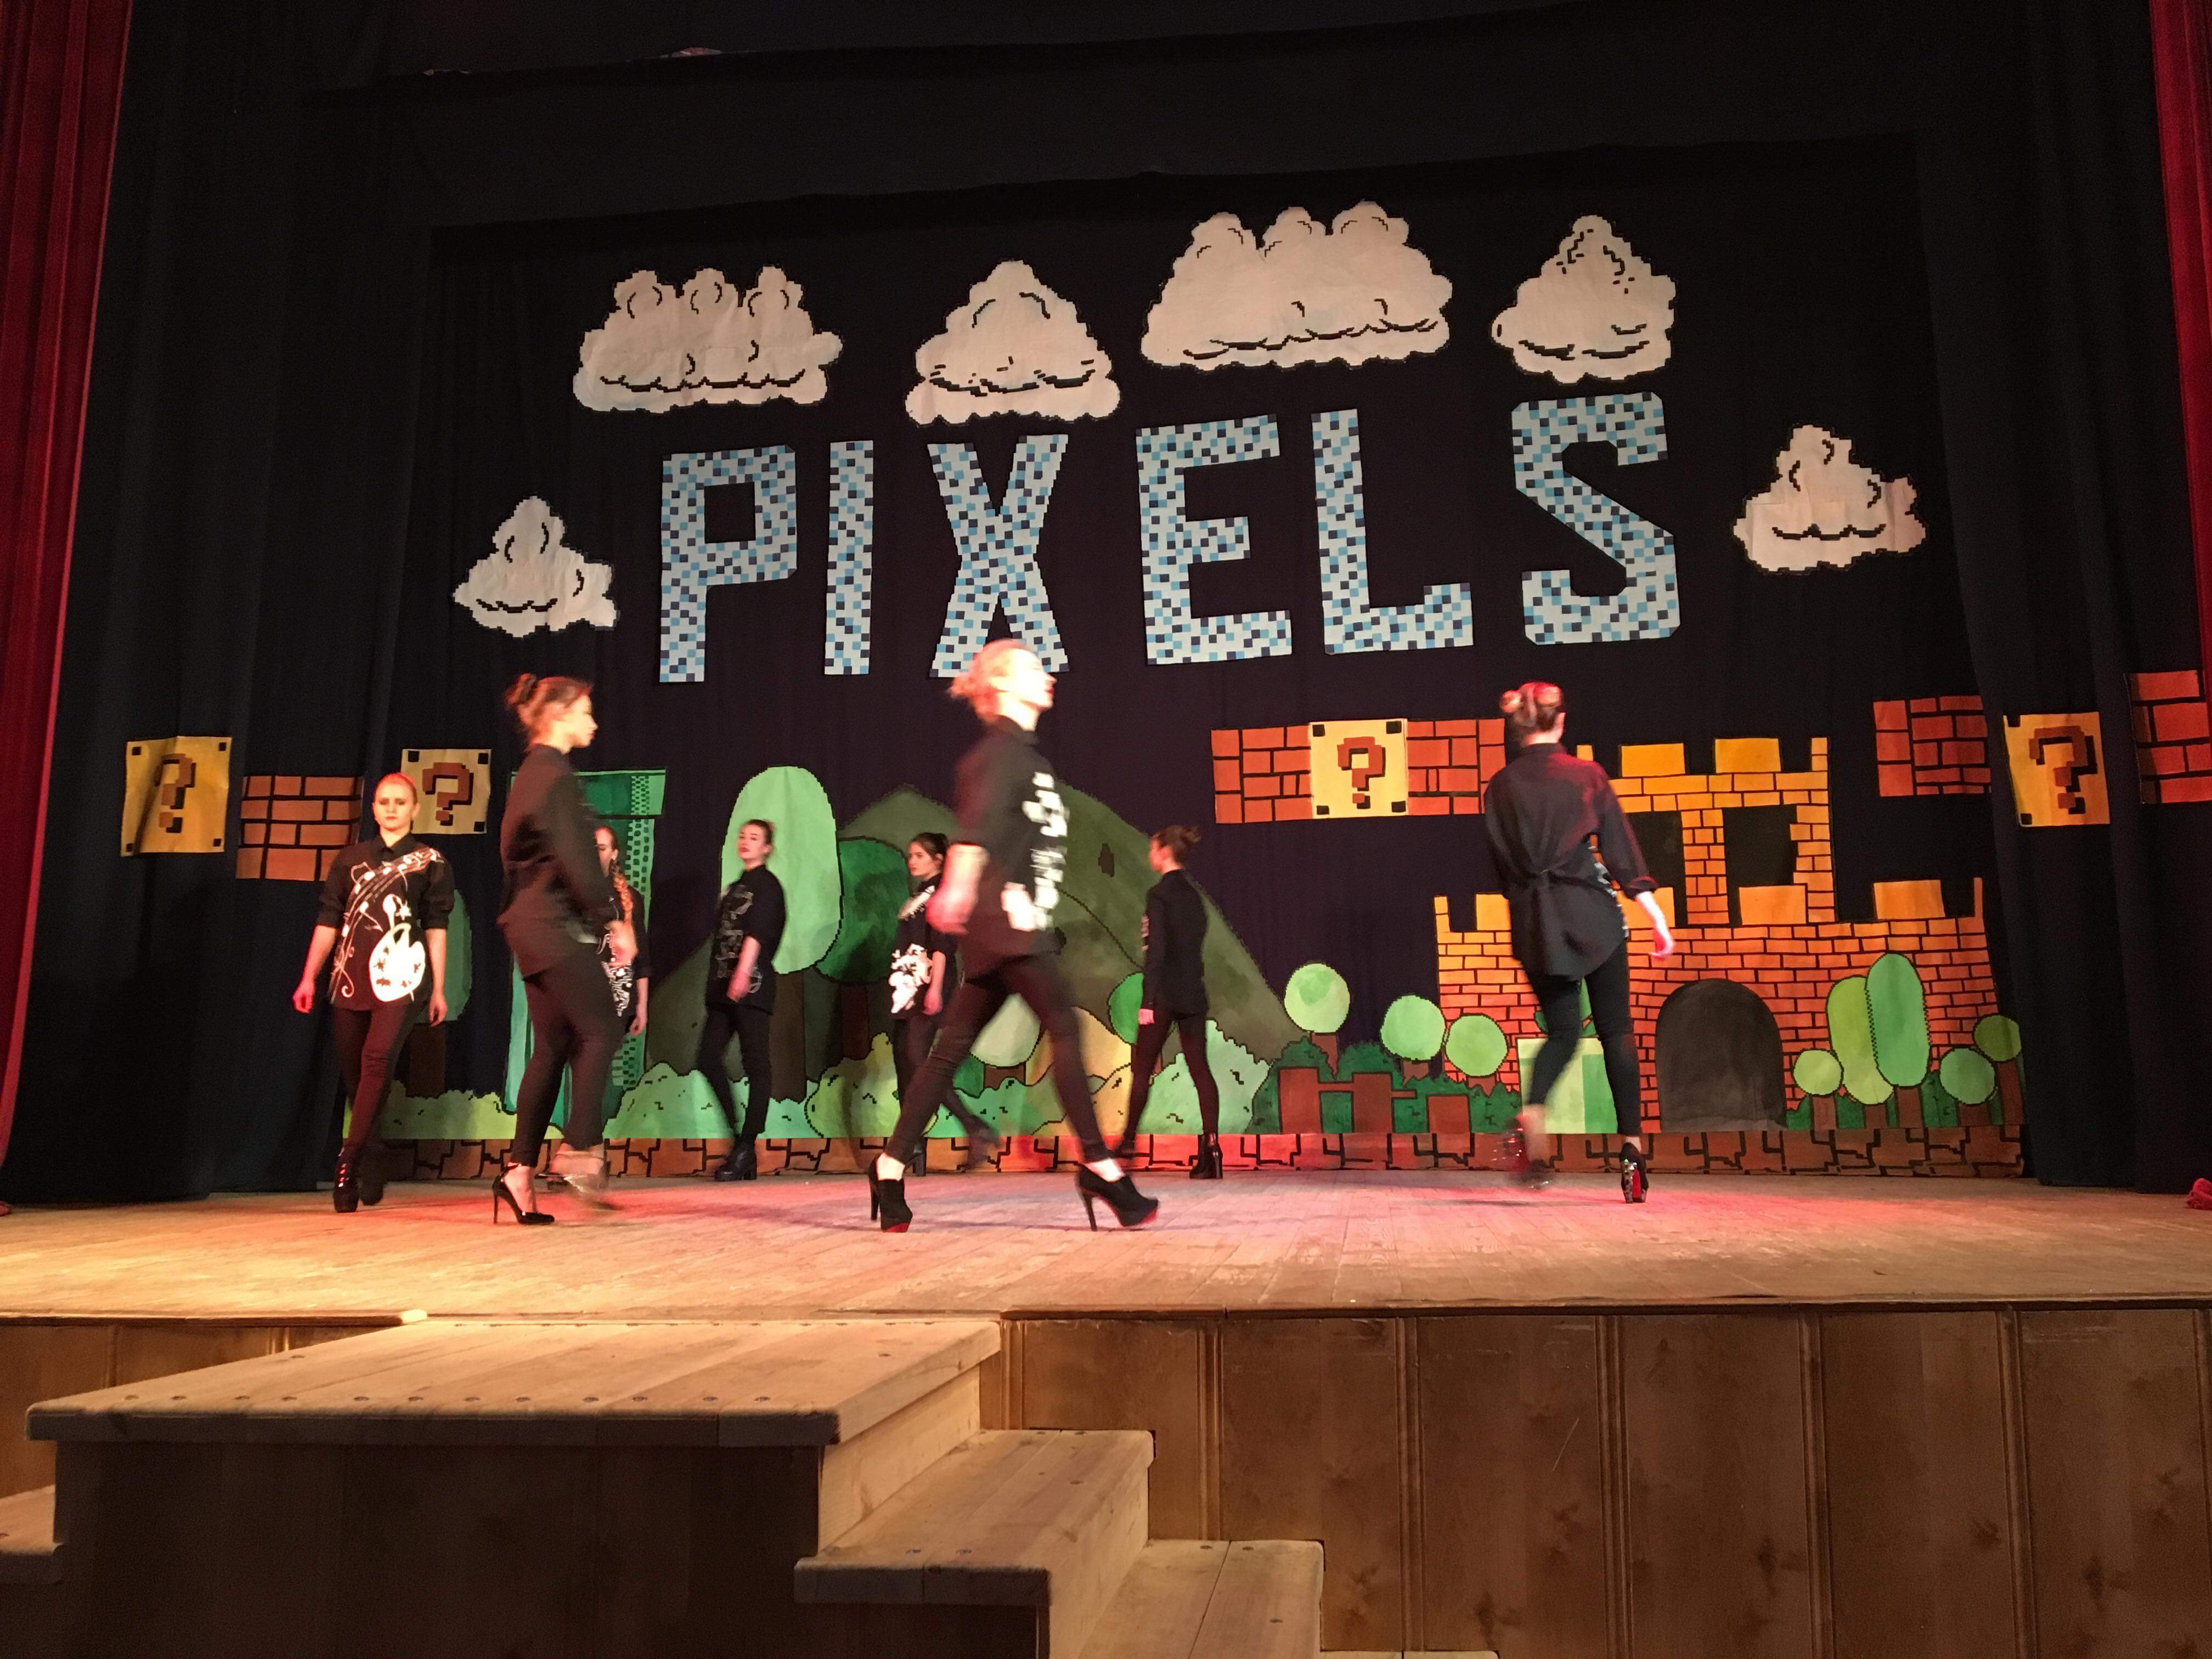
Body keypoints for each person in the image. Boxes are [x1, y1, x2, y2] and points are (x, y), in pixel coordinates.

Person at [873, 639, 1158, 1233]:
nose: (1046, 674)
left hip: (1011, 924)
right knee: (1063, 1026)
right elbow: (973, 834)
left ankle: (889, 1167)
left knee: (948, 1051)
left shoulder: (1028, 760)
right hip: (1006, 923)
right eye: (1031, 666)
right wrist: (956, 890)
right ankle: (1100, 1166)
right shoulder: (998, 757)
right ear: (1002, 683)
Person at [1481, 681, 1674, 1200]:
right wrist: (1654, 914)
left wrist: (1529, 906)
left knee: (1563, 1032)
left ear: (1516, 727)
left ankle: (1532, 1113)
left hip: (1536, 923)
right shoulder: (1587, 775)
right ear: (1561, 721)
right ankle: (1632, 1153)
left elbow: (1501, 867)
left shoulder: (1499, 788)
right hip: (1593, 917)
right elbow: (1621, 852)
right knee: (1617, 1033)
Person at [495, 673, 634, 1223]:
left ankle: (518, 1173)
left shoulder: (533, 774)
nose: (593, 723)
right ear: (558, 715)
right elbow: (578, 859)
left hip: (529, 925)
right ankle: (579, 1149)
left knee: (552, 1045)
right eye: (585, 712)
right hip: (550, 925)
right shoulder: (554, 776)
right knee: (602, 1029)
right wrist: (612, 920)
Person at [290, 772, 454, 1212]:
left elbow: (437, 926)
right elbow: (329, 920)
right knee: (356, 1076)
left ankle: (348, 1161)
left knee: (378, 1060)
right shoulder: (350, 859)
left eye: (400, 802)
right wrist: (308, 977)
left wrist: (439, 987)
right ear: (374, 807)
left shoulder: (430, 861)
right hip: (350, 975)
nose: (391, 809)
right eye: (384, 801)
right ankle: (375, 1152)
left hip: (403, 977)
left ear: (415, 808)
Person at [1114, 826, 1223, 1178]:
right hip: (1193, 992)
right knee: (1200, 1069)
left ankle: (1127, 1145)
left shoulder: (1159, 895)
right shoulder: (1195, 897)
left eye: (1152, 849)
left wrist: (1148, 1000)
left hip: (1163, 995)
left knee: (1143, 1069)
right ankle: (1212, 1149)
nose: (1150, 855)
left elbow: (1157, 950)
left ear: (1163, 852)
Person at [701, 819, 786, 1182]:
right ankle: (740, 1139)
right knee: (707, 1057)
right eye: (742, 836)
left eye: (754, 838)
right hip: (723, 986)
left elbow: (759, 933)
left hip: (751, 986)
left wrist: (743, 972)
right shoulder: (736, 886)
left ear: (767, 848)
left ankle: (747, 1147)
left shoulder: (768, 886)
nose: (746, 842)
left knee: (757, 1065)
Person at [595, 825, 651, 1041]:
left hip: (617, 999)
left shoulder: (629, 898)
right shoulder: (576, 893)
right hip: (583, 994)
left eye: (602, 848)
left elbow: (642, 958)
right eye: (593, 848)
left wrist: (642, 1007)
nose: (596, 854)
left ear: (614, 854)